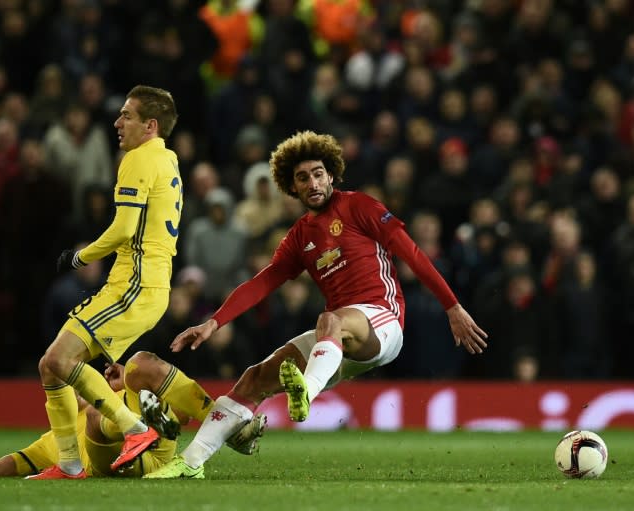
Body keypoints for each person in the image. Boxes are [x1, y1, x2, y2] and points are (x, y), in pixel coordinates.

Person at [146, 131, 488, 479]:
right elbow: (261, 283)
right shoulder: (299, 236)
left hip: (382, 321)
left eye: (318, 173)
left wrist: (452, 306)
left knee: (330, 319)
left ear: (331, 174)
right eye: (303, 177)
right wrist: (214, 322)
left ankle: (305, 392)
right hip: (337, 343)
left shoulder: (359, 206)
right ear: (292, 187)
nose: (312, 182)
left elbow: (412, 254)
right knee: (254, 379)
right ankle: (191, 462)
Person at [32, 85, 184, 479]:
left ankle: (134, 428)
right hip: (142, 286)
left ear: (150, 125)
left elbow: (123, 229)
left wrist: (79, 257)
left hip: (134, 285)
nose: (117, 123)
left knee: (57, 360)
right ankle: (68, 463)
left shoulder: (137, 159)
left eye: (127, 116)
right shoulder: (167, 158)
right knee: (52, 367)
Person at [0, 351, 267, 478]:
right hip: (110, 459)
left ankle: (223, 424)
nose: (77, 387)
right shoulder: (49, 444)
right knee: (99, 423)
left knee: (141, 364)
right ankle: (152, 428)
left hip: (157, 456)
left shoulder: (113, 396)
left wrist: (117, 387)